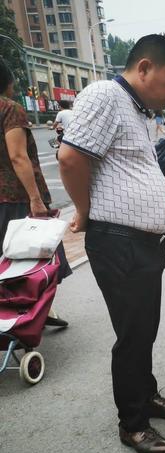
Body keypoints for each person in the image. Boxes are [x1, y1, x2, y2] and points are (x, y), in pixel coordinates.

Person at [58, 34, 165, 453]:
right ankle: (132, 424)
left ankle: (147, 396)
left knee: (144, 329)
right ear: (145, 68)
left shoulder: (135, 110)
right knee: (133, 335)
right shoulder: (105, 95)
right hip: (118, 240)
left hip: (141, 242)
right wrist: (84, 210)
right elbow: (70, 158)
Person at [0, 59, 69, 327]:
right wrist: (35, 198)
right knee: (32, 260)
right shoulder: (10, 109)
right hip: (15, 197)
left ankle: (28, 313)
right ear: (8, 81)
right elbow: (18, 156)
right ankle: (29, 315)